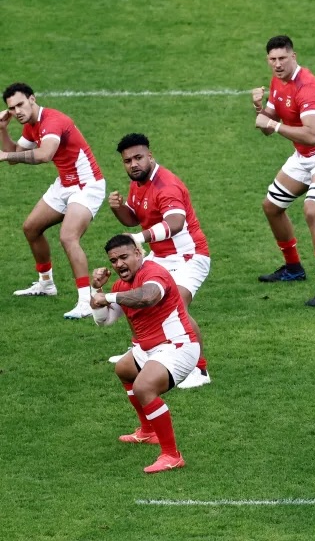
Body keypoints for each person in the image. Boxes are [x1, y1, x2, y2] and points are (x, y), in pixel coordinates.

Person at [251, 35, 315, 307]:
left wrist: (273, 126)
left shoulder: (307, 87)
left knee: (312, 210)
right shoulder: (277, 81)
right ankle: (293, 268)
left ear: (293, 57)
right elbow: (267, 126)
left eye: (282, 58)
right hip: (304, 156)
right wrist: (259, 109)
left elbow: (311, 134)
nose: (277, 64)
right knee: (271, 206)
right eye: (273, 59)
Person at [89, 234, 201, 474]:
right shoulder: (120, 287)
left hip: (178, 346)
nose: (119, 264)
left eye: (124, 257)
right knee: (124, 369)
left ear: (138, 253)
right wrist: (96, 290)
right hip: (149, 348)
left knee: (143, 387)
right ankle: (148, 431)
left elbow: (149, 297)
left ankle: (172, 455)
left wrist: (107, 296)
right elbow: (104, 321)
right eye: (113, 261)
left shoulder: (154, 273)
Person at [107, 133, 212, 388]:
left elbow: (175, 223)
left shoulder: (167, 186)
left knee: (178, 306)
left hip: (188, 257)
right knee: (139, 295)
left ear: (150, 156)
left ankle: (200, 370)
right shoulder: (138, 182)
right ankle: (142, 351)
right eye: (128, 160)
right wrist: (119, 208)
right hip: (161, 256)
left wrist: (138, 238)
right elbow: (134, 218)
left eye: (138, 158)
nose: (133, 164)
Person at [0, 82, 106, 319]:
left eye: (20, 104)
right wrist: (2, 130)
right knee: (31, 228)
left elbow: (44, 154)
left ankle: (86, 301)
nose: (17, 111)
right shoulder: (31, 125)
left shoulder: (53, 121)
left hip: (87, 185)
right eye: (12, 108)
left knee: (68, 237)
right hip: (65, 184)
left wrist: (5, 154)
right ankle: (46, 284)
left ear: (32, 99)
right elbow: (14, 157)